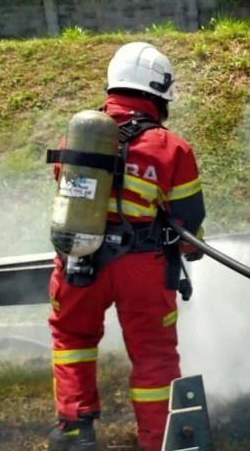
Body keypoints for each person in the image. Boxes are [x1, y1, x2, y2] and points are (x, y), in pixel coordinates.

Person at [46, 42, 206, 451]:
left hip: (80, 258)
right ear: (158, 93)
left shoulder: (80, 133)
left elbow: (69, 191)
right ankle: (158, 441)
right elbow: (189, 220)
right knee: (153, 355)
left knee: (72, 341)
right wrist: (190, 250)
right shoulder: (172, 148)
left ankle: (75, 428)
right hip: (142, 268)